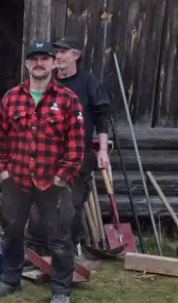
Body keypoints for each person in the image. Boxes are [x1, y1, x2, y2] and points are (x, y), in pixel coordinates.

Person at [0, 41, 85, 303]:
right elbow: (0, 138)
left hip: (53, 182)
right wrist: (2, 170)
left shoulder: (68, 99)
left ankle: (61, 290)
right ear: (27, 64)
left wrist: (61, 177)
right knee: (11, 232)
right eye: (34, 59)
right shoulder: (11, 98)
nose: (39, 63)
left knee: (59, 237)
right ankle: (10, 280)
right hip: (17, 179)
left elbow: (76, 146)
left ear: (53, 63)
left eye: (44, 59)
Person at [27, 36, 113, 253]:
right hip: (46, 155)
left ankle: (66, 252)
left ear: (76, 55)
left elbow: (102, 116)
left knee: (71, 206)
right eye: (56, 52)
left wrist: (103, 150)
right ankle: (37, 251)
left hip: (76, 156)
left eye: (64, 51)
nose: (59, 56)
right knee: (39, 203)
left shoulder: (88, 82)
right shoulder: (47, 82)